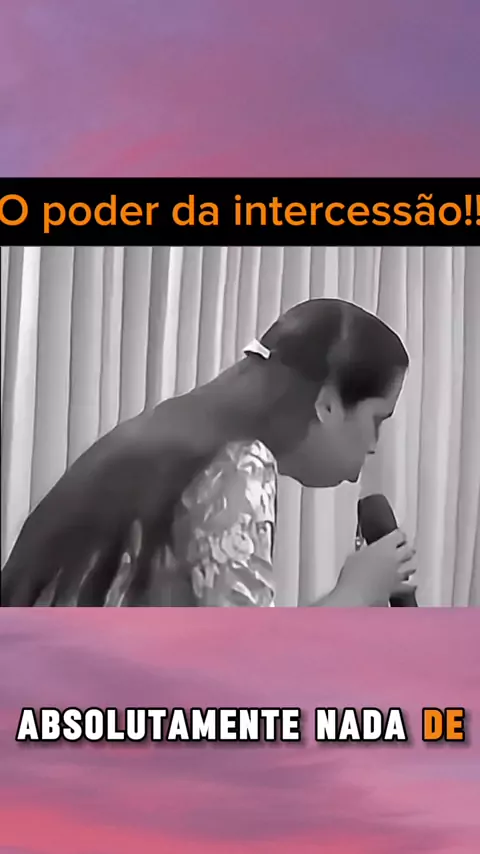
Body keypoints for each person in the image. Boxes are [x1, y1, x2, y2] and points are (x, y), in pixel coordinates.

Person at [1, 298, 416, 607]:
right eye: (377, 419)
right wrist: (355, 592)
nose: (374, 445)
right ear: (327, 404)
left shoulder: (175, 432)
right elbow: (244, 663)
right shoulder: (239, 463)